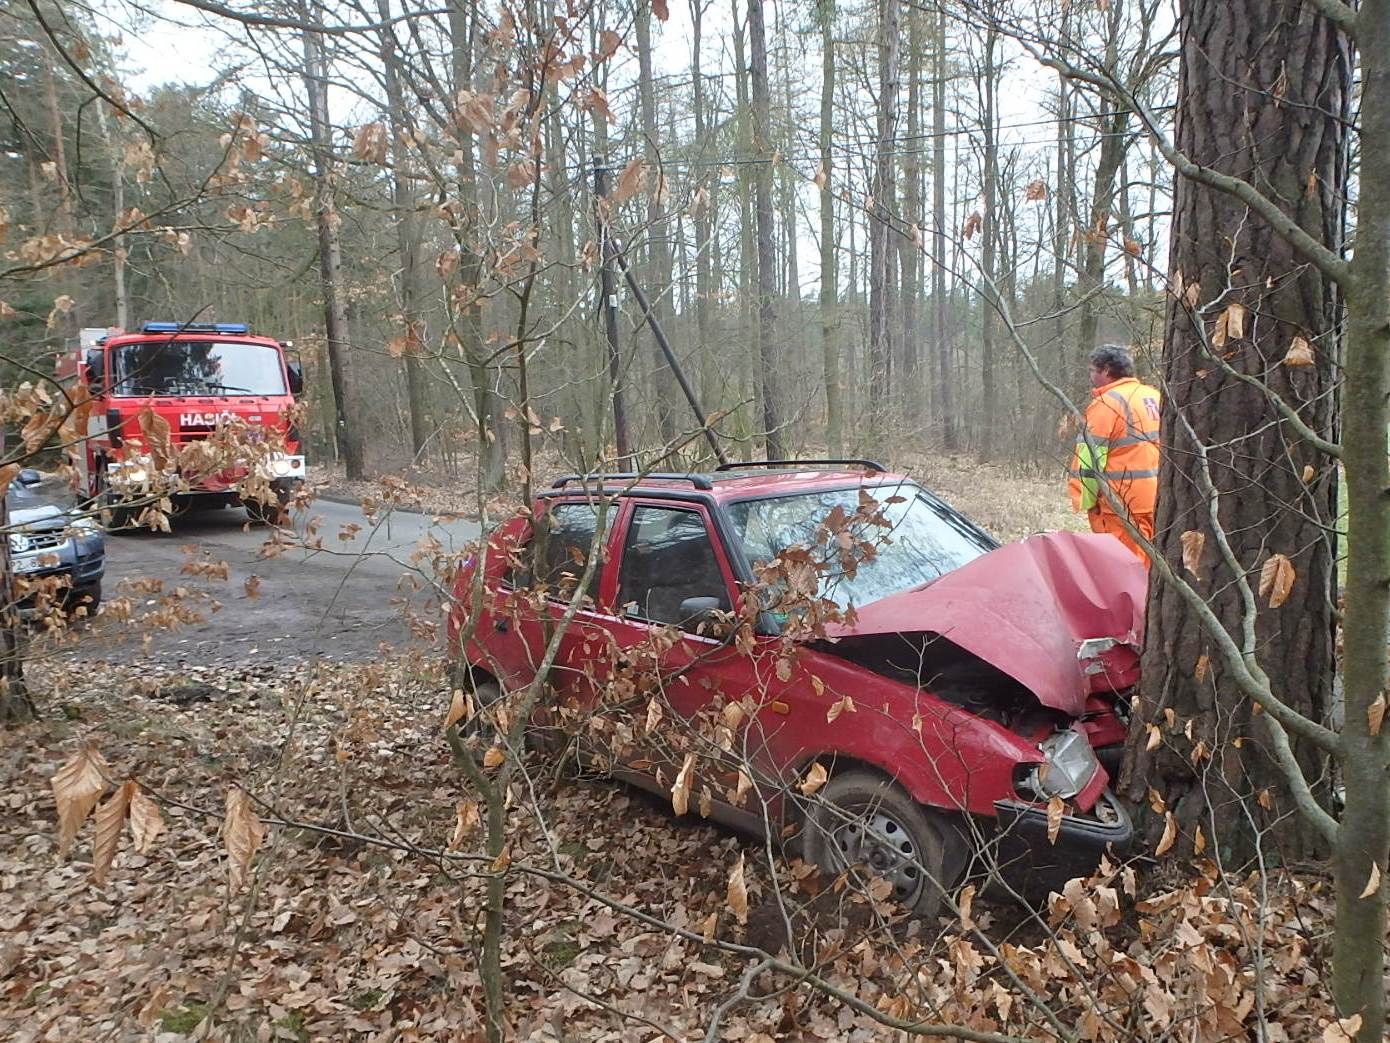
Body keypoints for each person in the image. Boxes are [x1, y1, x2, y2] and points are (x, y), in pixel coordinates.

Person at [1068, 345, 1161, 565]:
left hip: (1122, 505)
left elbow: (1089, 460)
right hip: (1158, 499)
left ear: (1107, 370)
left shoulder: (1107, 404)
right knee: (1150, 567)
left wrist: (1086, 502)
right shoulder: (1154, 396)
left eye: (1092, 370)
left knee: (1124, 570)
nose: (1090, 376)